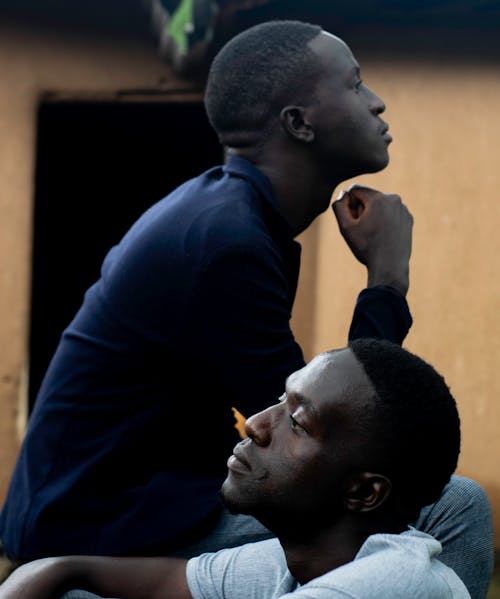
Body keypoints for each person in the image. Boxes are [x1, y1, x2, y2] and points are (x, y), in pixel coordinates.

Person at [0, 19, 493, 598]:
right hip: (104, 526)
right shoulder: (226, 243)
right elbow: (337, 437)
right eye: (355, 85)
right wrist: (386, 279)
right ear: (299, 122)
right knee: (454, 505)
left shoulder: (234, 218)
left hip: (157, 504)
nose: (377, 101)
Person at [0, 339, 474, 598]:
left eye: (298, 422)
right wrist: (56, 569)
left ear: (365, 493)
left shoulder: (383, 586)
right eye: (278, 401)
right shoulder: (300, 556)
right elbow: (166, 581)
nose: (256, 426)